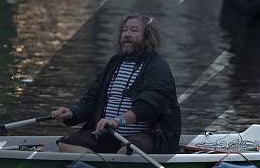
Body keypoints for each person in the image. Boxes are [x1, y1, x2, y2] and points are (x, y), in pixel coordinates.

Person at [51, 14, 181, 154]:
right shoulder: (114, 63)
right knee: (65, 144)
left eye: (134, 30)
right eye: (124, 30)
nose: (127, 34)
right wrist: (71, 112)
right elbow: (91, 100)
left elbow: (147, 107)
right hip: (109, 134)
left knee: (129, 150)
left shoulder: (157, 66)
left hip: (148, 136)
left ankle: (100, 167)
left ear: (148, 36)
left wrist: (117, 121)